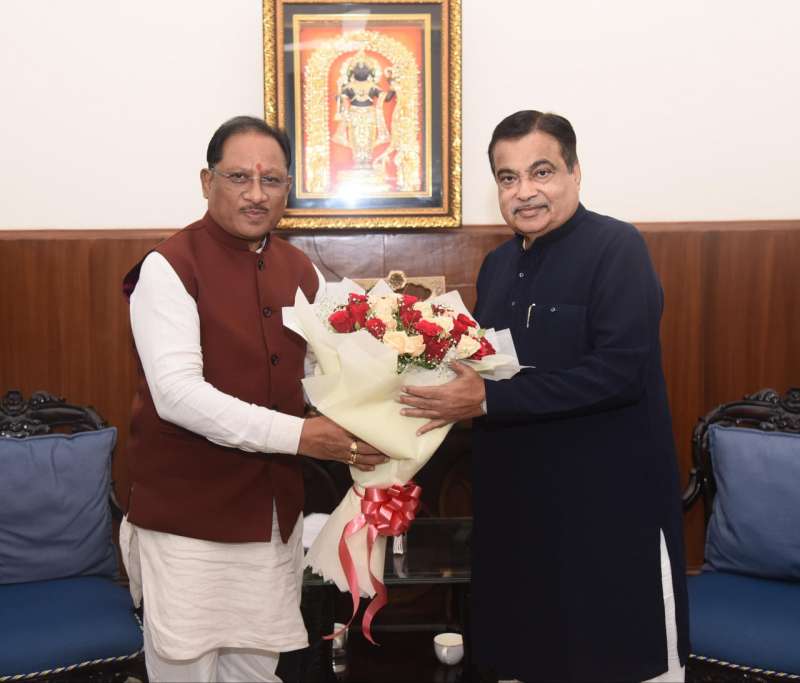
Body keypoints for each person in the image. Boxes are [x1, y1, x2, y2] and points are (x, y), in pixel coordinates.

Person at [399, 110, 689, 682]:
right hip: (520, 516)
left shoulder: (618, 248)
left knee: (615, 661)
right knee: (527, 656)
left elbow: (618, 373)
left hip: (606, 514)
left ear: (575, 172)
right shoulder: (499, 265)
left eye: (541, 172)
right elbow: (487, 368)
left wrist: (486, 400)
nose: (524, 191)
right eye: (508, 178)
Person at [120, 115, 387, 683]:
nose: (256, 194)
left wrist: (391, 403)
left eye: (272, 180)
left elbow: (322, 370)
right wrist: (303, 435)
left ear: (288, 188)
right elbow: (178, 396)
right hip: (188, 519)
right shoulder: (169, 267)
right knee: (185, 667)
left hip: (270, 520)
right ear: (207, 181)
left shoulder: (299, 268)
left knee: (255, 670)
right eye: (239, 177)